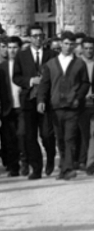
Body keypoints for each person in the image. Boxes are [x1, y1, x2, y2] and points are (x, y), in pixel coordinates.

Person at [37, 31, 90, 181]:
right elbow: (44, 84)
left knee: (70, 138)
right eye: (66, 43)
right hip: (56, 107)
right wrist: (41, 100)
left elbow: (85, 83)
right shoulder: (51, 64)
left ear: (75, 46)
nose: (68, 47)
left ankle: (68, 168)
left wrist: (78, 97)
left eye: (71, 44)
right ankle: (63, 168)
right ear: (61, 44)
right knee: (60, 139)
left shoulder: (79, 63)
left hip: (72, 106)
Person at [13, 24, 57, 180]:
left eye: (40, 36)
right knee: (29, 136)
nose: (38, 39)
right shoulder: (21, 56)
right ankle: (36, 168)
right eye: (35, 36)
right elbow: (16, 77)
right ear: (30, 38)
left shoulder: (51, 54)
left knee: (46, 134)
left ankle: (50, 156)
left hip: (46, 100)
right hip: (28, 100)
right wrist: (30, 81)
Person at [0, 36, 26, 176]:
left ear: (20, 48)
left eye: (14, 47)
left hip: (22, 107)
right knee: (9, 139)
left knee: (22, 135)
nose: (11, 50)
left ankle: (25, 162)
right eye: (9, 48)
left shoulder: (26, 65)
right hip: (7, 108)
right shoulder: (2, 67)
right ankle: (13, 166)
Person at [77, 37, 94, 175]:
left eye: (91, 48)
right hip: (81, 105)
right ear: (82, 48)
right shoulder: (76, 64)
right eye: (86, 48)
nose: (88, 51)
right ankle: (88, 159)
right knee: (85, 134)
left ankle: (91, 162)